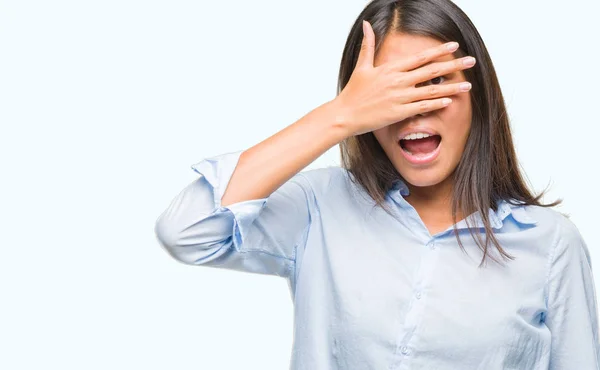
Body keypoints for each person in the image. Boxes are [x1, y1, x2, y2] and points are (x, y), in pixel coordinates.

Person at [154, 0, 600, 368]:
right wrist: (339, 117)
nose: (412, 110)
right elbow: (187, 233)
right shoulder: (319, 207)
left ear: (476, 94)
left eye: (433, 83)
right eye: (390, 92)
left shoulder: (550, 245)